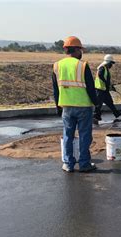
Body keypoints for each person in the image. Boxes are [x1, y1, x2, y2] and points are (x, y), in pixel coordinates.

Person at [52, 36, 100, 172]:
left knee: (68, 135)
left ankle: (68, 164)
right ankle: (84, 164)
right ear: (77, 50)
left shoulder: (57, 66)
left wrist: (58, 107)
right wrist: (96, 104)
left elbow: (56, 89)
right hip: (84, 107)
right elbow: (91, 88)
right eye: (81, 50)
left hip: (66, 107)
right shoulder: (82, 65)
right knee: (85, 135)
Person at [93, 54, 121, 124]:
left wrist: (110, 86)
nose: (111, 65)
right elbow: (101, 75)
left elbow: (106, 79)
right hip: (100, 89)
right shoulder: (102, 68)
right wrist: (106, 82)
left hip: (104, 89)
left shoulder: (105, 68)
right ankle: (95, 117)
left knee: (110, 102)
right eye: (111, 63)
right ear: (108, 62)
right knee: (98, 104)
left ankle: (116, 113)